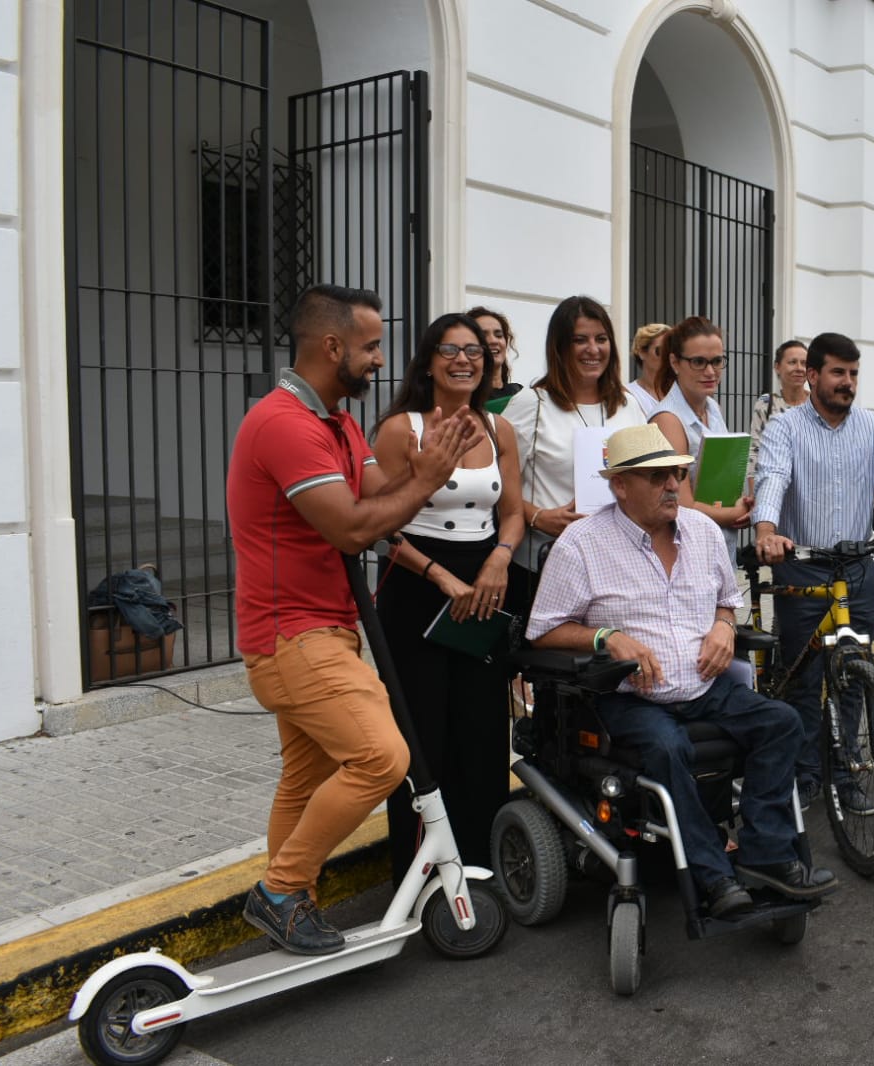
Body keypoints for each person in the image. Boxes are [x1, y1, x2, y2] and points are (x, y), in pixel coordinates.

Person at [227, 284, 477, 954]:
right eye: (369, 347)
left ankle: (292, 903)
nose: (377, 361)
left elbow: (381, 503)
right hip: (293, 637)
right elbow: (349, 529)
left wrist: (425, 473)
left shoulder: (337, 423)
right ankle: (281, 889)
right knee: (380, 757)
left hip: (320, 632)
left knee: (305, 779)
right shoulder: (285, 425)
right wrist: (425, 481)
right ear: (332, 345)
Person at [527, 424, 839, 915]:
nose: (673, 484)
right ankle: (713, 877)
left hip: (703, 685)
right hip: (629, 695)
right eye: (657, 477)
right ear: (621, 486)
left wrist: (723, 627)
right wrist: (606, 637)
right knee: (668, 748)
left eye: (675, 473)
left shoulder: (703, 532)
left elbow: (726, 603)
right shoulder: (580, 544)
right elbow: (542, 631)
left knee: (782, 723)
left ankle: (767, 858)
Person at [371, 312, 527, 876]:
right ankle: (419, 871)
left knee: (482, 729)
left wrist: (498, 563)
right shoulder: (400, 430)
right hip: (417, 588)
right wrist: (441, 577)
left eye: (475, 352)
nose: (464, 360)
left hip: (483, 586)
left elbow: (512, 514)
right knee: (423, 735)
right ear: (429, 361)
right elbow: (383, 525)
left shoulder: (498, 429)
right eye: (450, 350)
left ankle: (482, 863)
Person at [752, 332, 874, 810]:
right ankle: (807, 772)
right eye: (837, 372)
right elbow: (773, 478)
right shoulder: (785, 428)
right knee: (804, 678)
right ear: (811, 376)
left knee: (853, 673)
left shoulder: (872, 427)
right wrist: (767, 532)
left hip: (855, 568)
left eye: (853, 373)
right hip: (804, 567)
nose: (847, 382)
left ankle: (847, 769)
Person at [503, 295, 647, 614]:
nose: (593, 349)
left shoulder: (628, 405)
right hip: (545, 566)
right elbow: (497, 485)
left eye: (601, 339)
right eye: (579, 340)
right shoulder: (533, 404)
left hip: (617, 567)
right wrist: (537, 516)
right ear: (559, 347)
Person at [650, 316, 753, 529]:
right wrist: (736, 513)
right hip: (688, 547)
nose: (710, 372)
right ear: (675, 363)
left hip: (718, 543)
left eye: (717, 361)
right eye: (698, 362)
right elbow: (681, 504)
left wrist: (742, 504)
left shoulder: (712, 408)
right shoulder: (668, 420)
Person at [748, 339, 809, 477]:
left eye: (804, 363)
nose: (799, 368)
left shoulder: (817, 405)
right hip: (773, 486)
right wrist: (754, 494)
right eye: (792, 362)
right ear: (777, 367)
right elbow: (755, 450)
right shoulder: (766, 403)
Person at [628, 322, 669, 417]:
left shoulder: (681, 392)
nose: (667, 356)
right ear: (642, 352)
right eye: (661, 350)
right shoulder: (629, 394)